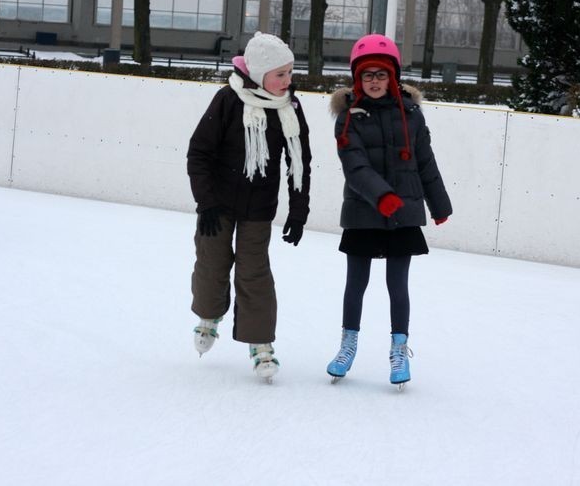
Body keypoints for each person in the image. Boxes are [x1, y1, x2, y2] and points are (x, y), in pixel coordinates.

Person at [326, 34, 452, 389]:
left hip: (404, 211)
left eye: (382, 75)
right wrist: (380, 197)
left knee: (398, 285)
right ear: (357, 79)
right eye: (368, 75)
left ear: (393, 77)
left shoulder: (412, 115)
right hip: (364, 211)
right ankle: (347, 345)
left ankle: (399, 349)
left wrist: (438, 204)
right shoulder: (348, 119)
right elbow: (354, 165)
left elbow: (425, 162)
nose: (376, 81)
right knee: (357, 283)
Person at [187, 32, 312, 382]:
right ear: (258, 74)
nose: (288, 81)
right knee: (212, 260)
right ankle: (209, 318)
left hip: (258, 207)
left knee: (254, 272)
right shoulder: (228, 100)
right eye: (280, 74)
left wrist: (298, 211)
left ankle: (260, 345)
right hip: (218, 203)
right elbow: (199, 153)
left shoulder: (290, 107)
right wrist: (206, 202)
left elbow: (300, 162)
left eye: (290, 73)